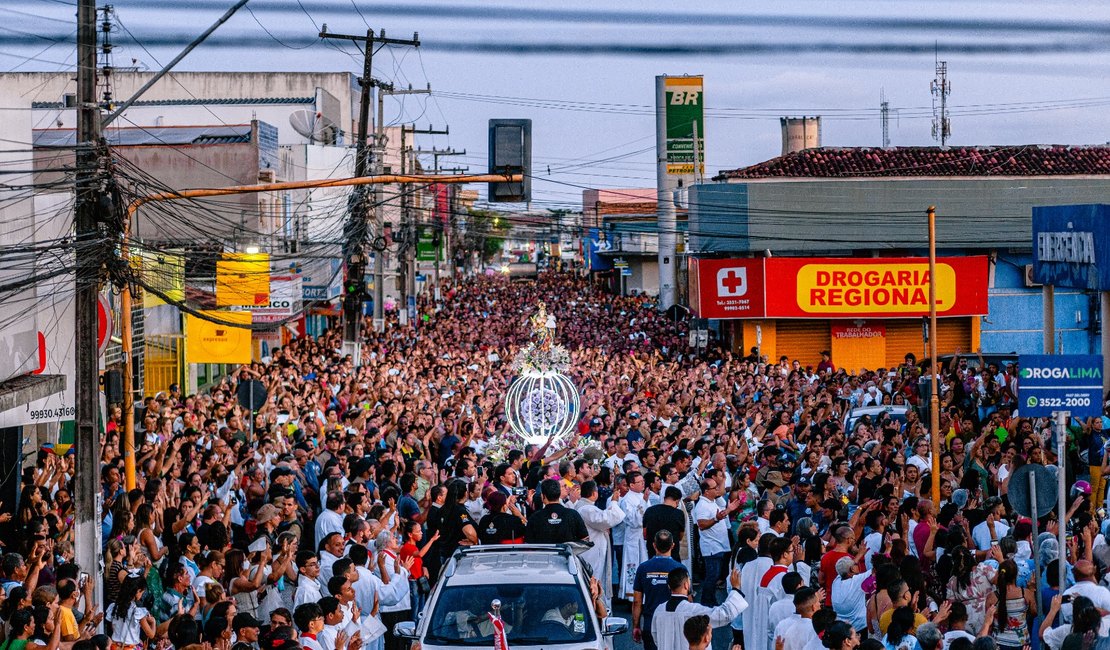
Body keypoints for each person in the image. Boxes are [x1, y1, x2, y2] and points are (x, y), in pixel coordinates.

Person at [651, 566, 748, 650]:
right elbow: (724, 615)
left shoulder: (659, 610)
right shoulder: (693, 611)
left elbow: (656, 638)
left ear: (669, 586)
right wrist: (735, 589)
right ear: (686, 585)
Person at [572, 480, 625, 605]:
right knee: (593, 583)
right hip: (591, 553)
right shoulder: (586, 509)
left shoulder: (584, 507)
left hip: (591, 551)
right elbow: (607, 519)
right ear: (594, 493)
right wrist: (614, 502)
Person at [632, 531, 683, 650]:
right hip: (674, 625)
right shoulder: (680, 569)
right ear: (673, 546)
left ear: (654, 545)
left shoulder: (643, 568)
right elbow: (688, 600)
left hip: (651, 624)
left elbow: (637, 601)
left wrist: (636, 626)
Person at [524, 479, 588, 544]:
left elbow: (528, 544)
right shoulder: (573, 514)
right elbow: (585, 539)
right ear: (559, 493)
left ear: (543, 496)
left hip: (543, 553)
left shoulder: (535, 518)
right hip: (567, 553)